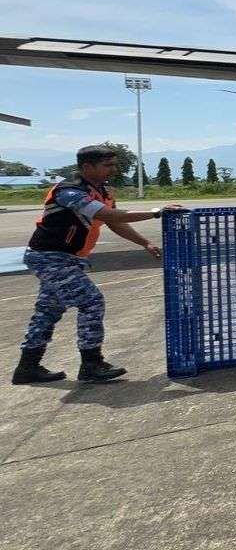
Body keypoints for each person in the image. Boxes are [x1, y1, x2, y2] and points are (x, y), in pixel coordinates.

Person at [11, 145, 180, 385]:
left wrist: (144, 242)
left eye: (114, 164)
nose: (113, 169)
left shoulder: (102, 191)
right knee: (91, 301)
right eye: (107, 165)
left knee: (48, 310)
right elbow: (107, 215)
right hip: (50, 258)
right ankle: (91, 363)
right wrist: (156, 212)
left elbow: (115, 222)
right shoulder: (68, 191)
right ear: (87, 167)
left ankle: (27, 367)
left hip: (70, 259)